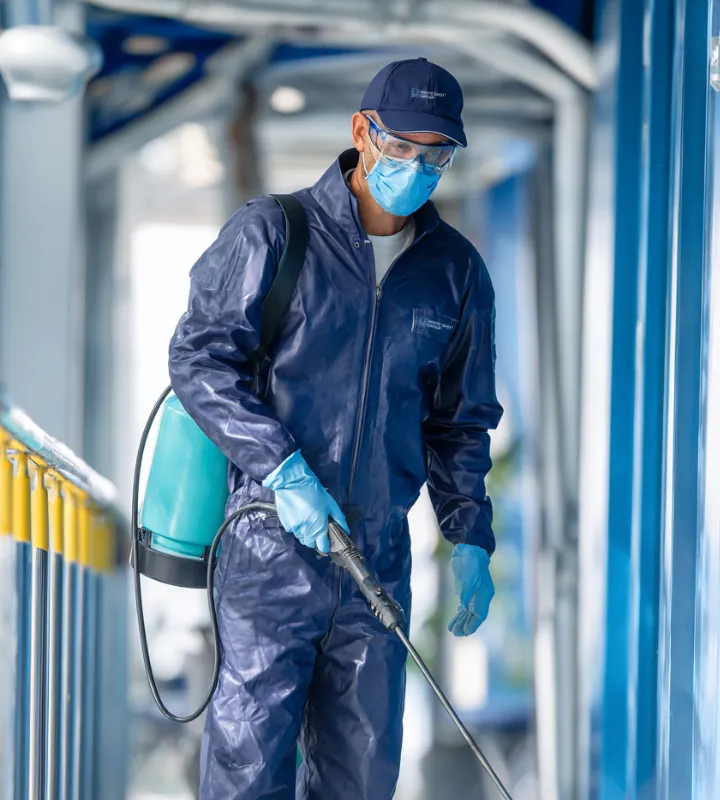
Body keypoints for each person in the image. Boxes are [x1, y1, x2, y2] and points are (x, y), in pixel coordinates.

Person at [169, 56, 503, 800]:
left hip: (376, 559)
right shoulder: (273, 233)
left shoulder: (455, 274)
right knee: (248, 772)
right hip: (269, 549)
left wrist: (469, 533)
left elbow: (461, 420)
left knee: (363, 776)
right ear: (362, 132)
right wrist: (281, 468)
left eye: (436, 155)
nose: (417, 168)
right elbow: (199, 358)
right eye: (403, 146)